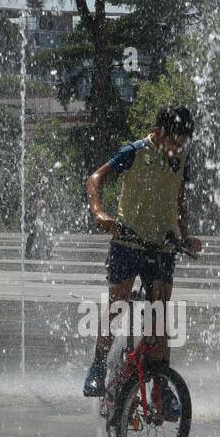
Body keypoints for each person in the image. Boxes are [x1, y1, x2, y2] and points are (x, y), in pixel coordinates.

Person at [82, 105, 202, 399]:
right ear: (158, 133)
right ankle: (98, 365)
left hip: (162, 246)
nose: (178, 149)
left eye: (183, 143)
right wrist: (99, 213)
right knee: (118, 303)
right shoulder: (135, 152)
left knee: (160, 315)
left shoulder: (181, 158)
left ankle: (162, 386)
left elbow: (178, 199)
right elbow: (95, 178)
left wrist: (185, 235)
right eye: (174, 142)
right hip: (128, 242)